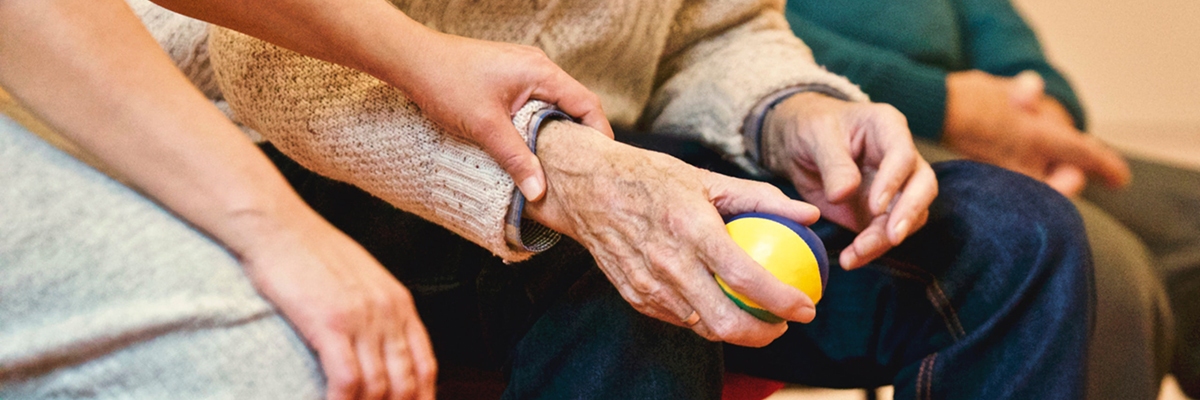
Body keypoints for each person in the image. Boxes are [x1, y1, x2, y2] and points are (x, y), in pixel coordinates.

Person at [1, 1, 1093, 400]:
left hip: (619, 156)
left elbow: (717, 28)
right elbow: (267, 61)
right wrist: (553, 168)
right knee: (628, 275)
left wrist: (794, 112)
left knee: (1014, 237)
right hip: (341, 173)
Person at [781, 0, 1200, 398]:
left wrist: (1045, 109)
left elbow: (992, 20)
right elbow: (743, 37)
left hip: (987, 122)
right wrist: (947, 107)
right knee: (1076, 254)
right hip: (825, 125)